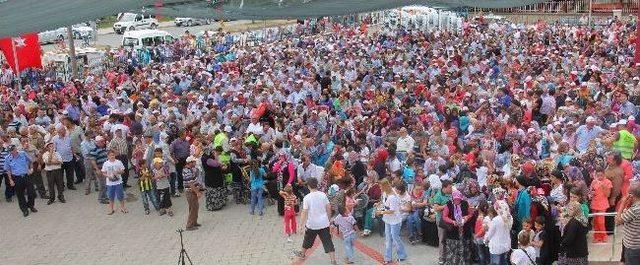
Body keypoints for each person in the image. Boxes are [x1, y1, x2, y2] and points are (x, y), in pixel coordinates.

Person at [294, 178, 337, 265]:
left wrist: (301, 225)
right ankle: (333, 260)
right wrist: (328, 219)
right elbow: (328, 207)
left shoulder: (307, 198)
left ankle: (302, 254)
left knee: (307, 240)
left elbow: (304, 212)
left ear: (308, 186)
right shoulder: (323, 195)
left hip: (312, 224)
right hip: (323, 224)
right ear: (317, 184)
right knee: (327, 241)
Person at [378, 181, 408, 264]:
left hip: (395, 220)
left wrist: (380, 212)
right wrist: (378, 204)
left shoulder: (392, 196)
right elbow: (384, 204)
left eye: (381, 187)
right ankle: (388, 258)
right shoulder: (385, 193)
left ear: (385, 186)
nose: (380, 188)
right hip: (387, 219)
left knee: (395, 238)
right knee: (388, 239)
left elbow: (392, 210)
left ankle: (402, 255)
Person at [441, 190, 473, 265]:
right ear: (452, 198)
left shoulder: (465, 203)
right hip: (452, 232)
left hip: (464, 231)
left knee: (465, 249)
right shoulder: (448, 205)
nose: (457, 200)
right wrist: (453, 222)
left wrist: (466, 218)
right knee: (453, 250)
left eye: (458, 199)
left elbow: (471, 213)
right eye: (455, 199)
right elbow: (444, 217)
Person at [4, 145, 37, 217]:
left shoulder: (22, 153)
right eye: (11, 151)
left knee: (32, 193)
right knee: (20, 195)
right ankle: (24, 209)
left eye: (13, 150)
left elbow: (31, 161)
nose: (12, 152)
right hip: (16, 178)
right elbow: (8, 170)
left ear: (16, 149)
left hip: (26, 176)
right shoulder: (7, 158)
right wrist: (10, 180)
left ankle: (31, 205)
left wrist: (31, 169)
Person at [615, 183, 640, 264]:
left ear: (631, 195)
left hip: (633, 247)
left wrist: (622, 204)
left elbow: (617, 221)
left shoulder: (635, 209)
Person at [102, 149, 127, 215]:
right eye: (110, 155)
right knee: (111, 196)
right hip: (110, 183)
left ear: (115, 155)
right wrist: (108, 176)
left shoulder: (118, 162)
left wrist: (118, 172)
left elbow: (123, 171)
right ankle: (111, 209)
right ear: (108, 156)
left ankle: (122, 208)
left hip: (118, 182)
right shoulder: (106, 163)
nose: (112, 156)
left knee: (120, 196)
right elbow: (103, 172)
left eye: (113, 155)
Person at [590, 169, 612, 242]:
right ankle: (597, 236)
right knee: (595, 221)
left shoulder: (608, 182)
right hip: (594, 203)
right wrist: (592, 193)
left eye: (601, 175)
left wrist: (602, 186)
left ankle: (604, 236)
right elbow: (591, 191)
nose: (600, 177)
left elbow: (608, 195)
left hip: (603, 203)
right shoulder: (594, 182)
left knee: (600, 221)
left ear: (604, 174)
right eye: (598, 175)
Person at [183, 156, 202, 230]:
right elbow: (191, 184)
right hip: (190, 192)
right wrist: (198, 192)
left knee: (195, 207)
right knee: (193, 208)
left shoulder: (191, 169)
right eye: (194, 162)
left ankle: (194, 222)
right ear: (190, 162)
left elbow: (195, 181)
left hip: (193, 191)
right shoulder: (187, 171)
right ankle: (189, 225)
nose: (195, 162)